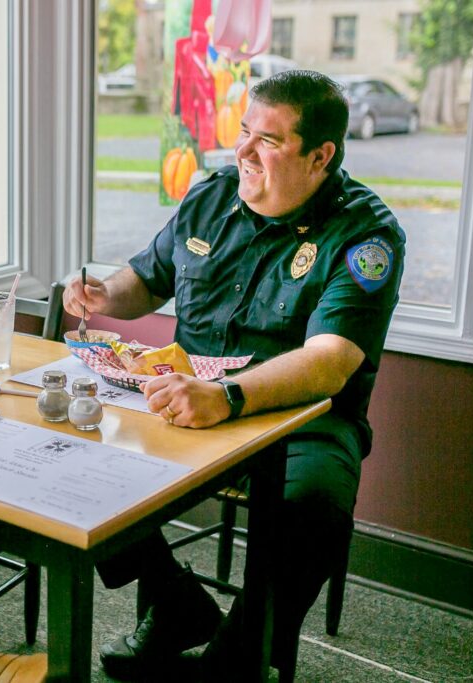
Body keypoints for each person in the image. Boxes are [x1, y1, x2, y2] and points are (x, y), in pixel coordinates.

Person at [64, 70, 405, 679]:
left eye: (267, 141)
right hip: (189, 395)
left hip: (303, 419)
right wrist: (104, 294)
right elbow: (147, 278)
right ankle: (175, 603)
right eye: (244, 131)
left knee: (315, 507)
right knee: (75, 449)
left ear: (320, 156)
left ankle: (241, 650)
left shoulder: (366, 234)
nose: (242, 150)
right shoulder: (212, 196)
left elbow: (330, 361)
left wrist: (228, 396)